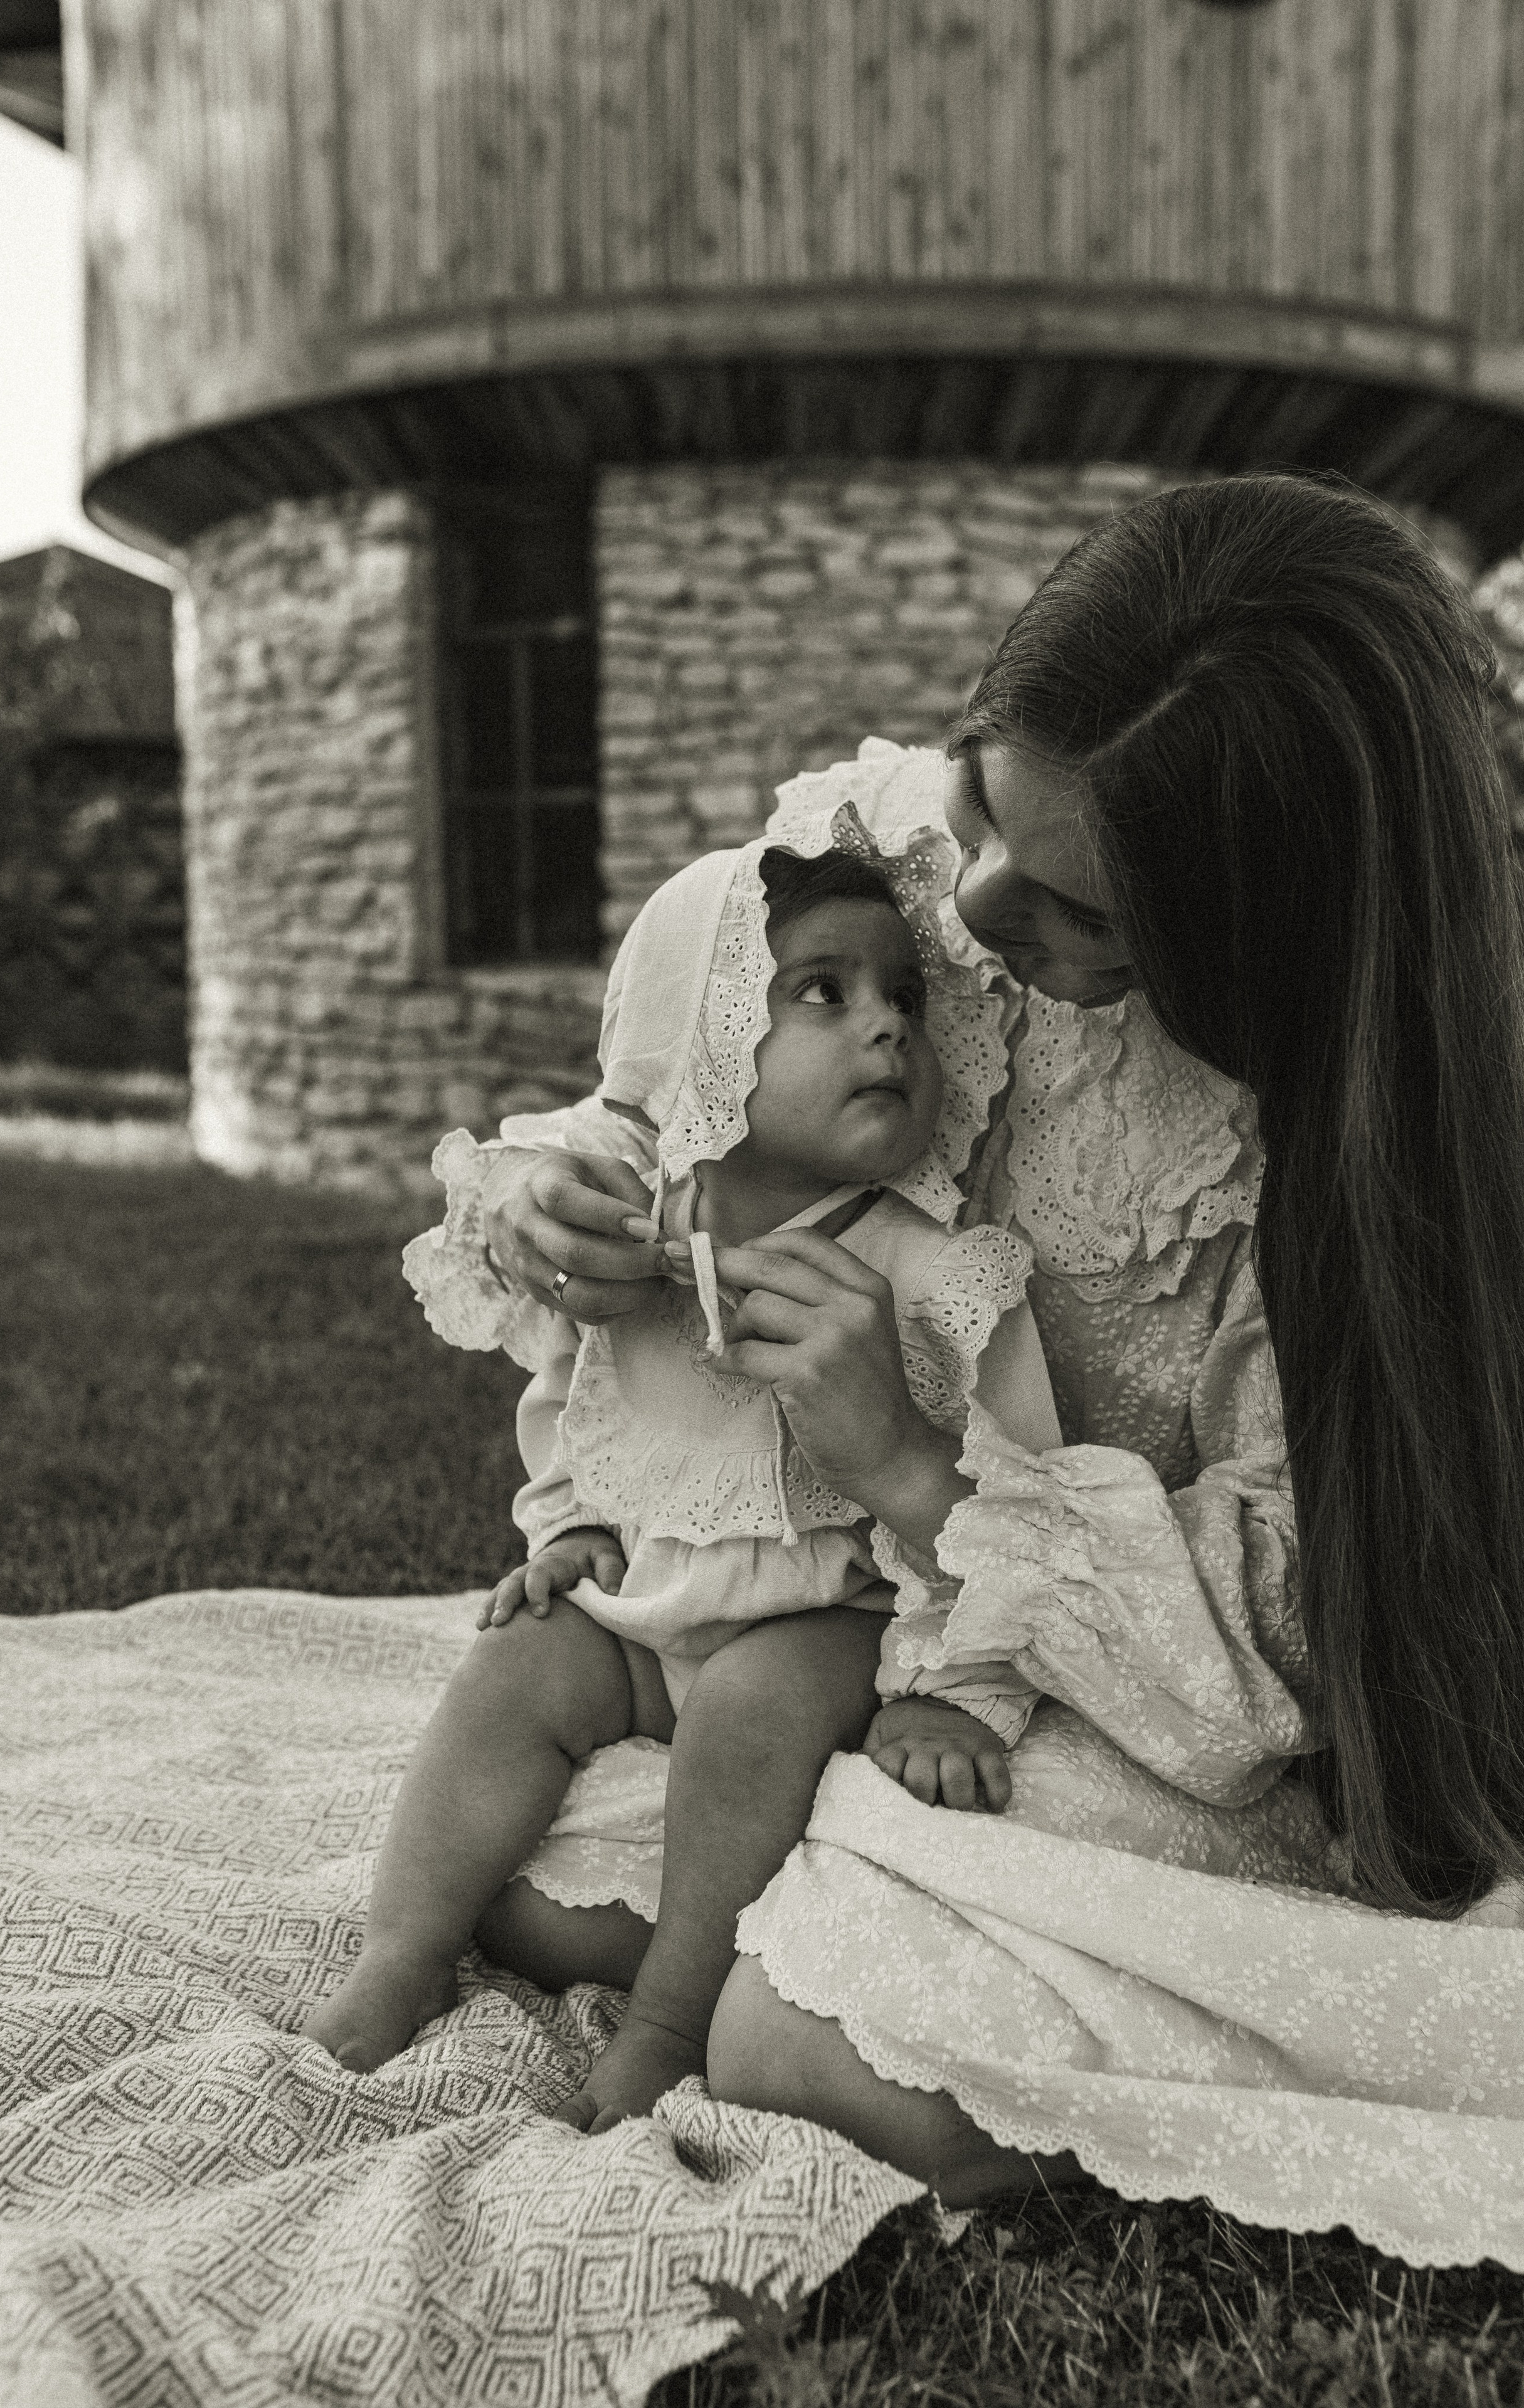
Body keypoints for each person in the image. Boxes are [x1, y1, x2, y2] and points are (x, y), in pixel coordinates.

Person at [469, 474, 1524, 2259]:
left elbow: (1281, 1642)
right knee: (512, 1851)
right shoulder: (902, 860)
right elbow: (672, 1068)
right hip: (841, 1610)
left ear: (1256, 946)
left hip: (1147, 1695)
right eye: (980, 804)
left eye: (1089, 917)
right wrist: (557, 1191)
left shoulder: (1362, 1145)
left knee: (797, 2042)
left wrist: (922, 1474)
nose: (976, 901)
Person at [303, 838, 1047, 2120]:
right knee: (516, 1663)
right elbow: (574, 1389)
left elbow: (1011, 1494)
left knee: (751, 1705)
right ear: (692, 1037)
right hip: (648, 1610)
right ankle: (401, 1951)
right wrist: (576, 1525)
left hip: (832, 1620)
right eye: (822, 991)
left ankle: (667, 2018)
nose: (884, 1027)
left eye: (902, 999)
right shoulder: (629, 1231)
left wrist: (949, 1692)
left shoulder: (931, 1273)